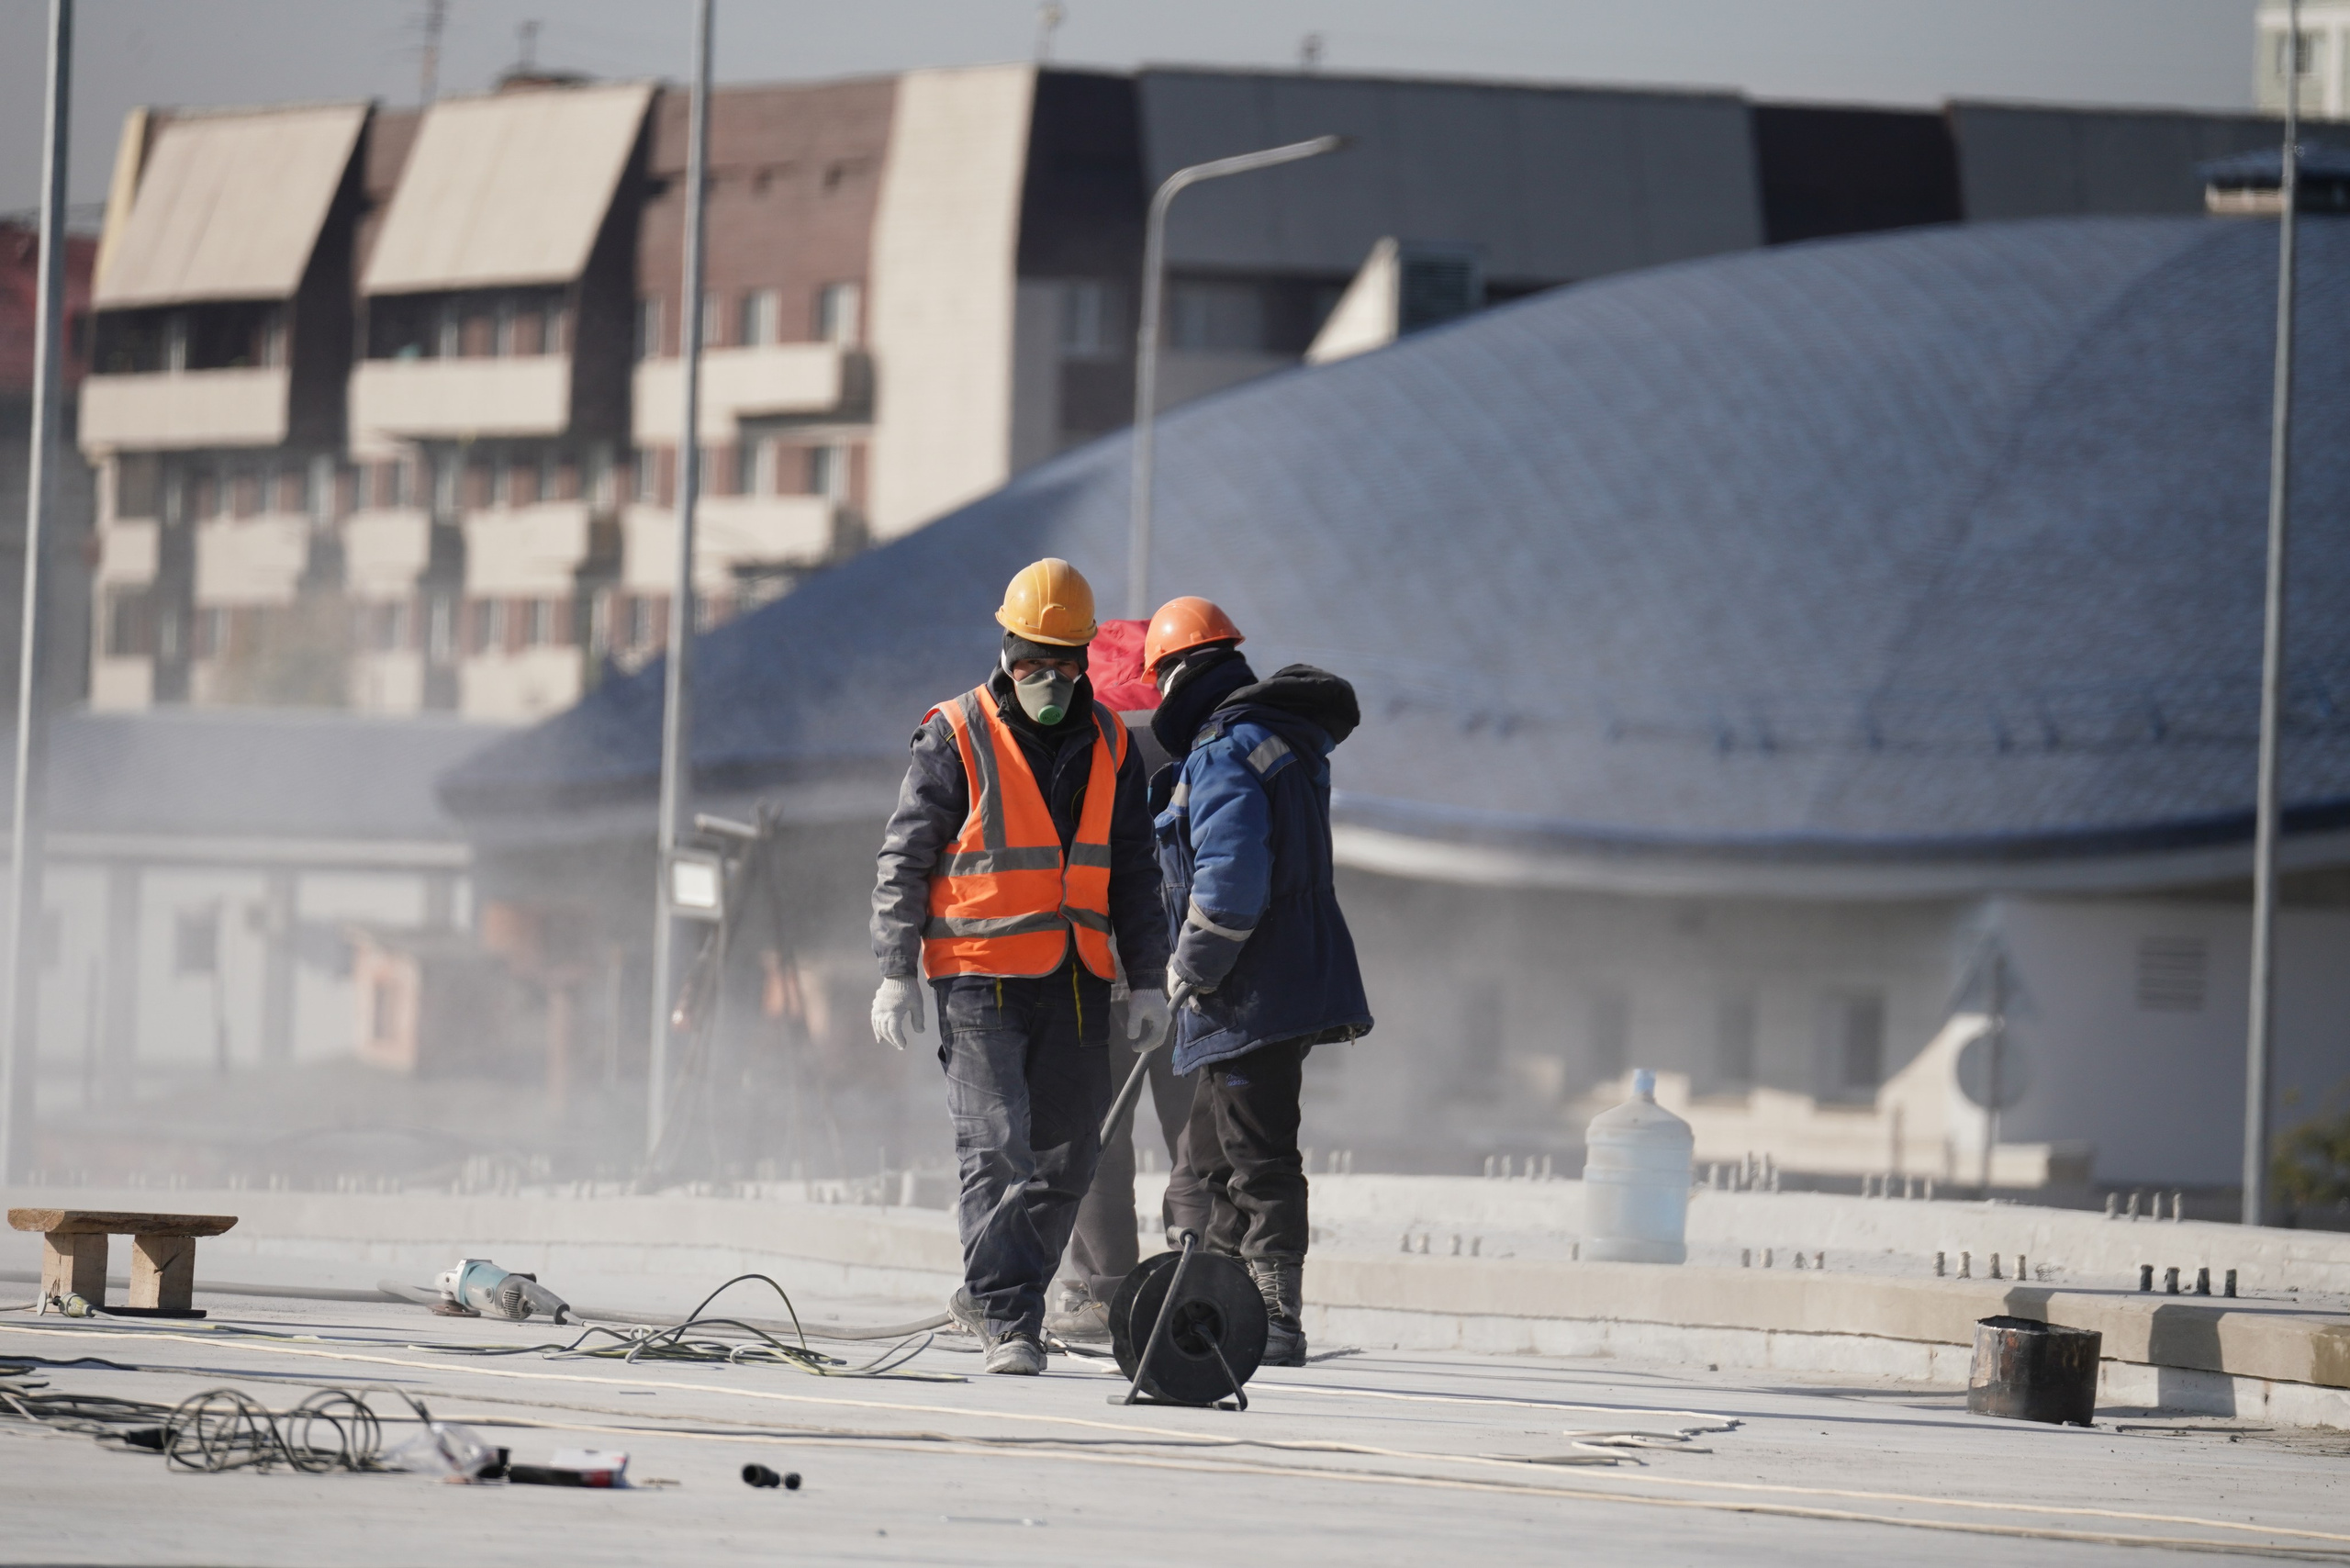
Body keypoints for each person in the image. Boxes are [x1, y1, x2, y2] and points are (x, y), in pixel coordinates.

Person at [868, 558, 1171, 1374]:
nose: (1051, 674)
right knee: (997, 1143)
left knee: (1070, 1155)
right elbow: (906, 857)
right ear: (1007, 647)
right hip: (977, 975)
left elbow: (1136, 871)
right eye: (1035, 655)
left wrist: (1148, 977)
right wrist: (896, 967)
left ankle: (992, 1293)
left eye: (1066, 658)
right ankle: (1011, 1318)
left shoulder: (1109, 738)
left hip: (1076, 977)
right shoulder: (955, 731)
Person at [1144, 597, 1372, 1366]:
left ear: (1177, 672)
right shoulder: (1280, 740)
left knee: (1258, 1156)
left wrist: (1190, 962)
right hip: (1277, 980)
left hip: (1249, 989)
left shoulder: (1222, 750)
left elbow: (1232, 881)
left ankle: (1275, 1318)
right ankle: (1219, 1309)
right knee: (1210, 1157)